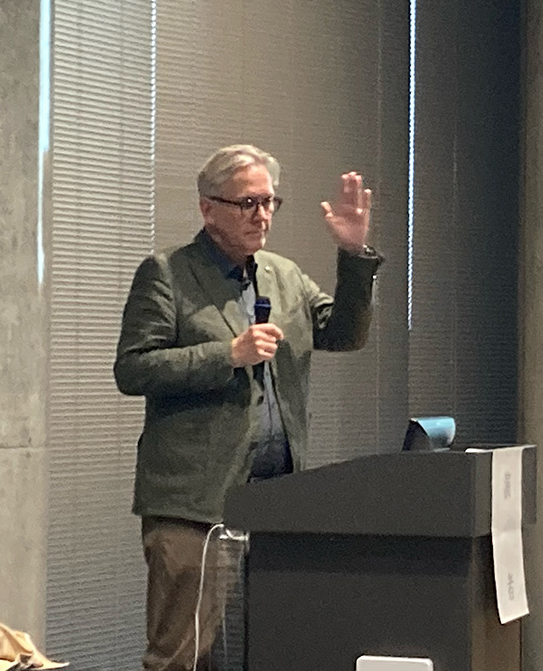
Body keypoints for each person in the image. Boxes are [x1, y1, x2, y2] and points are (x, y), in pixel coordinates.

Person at [114, 144, 383, 671]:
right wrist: (227, 355)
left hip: (277, 500)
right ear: (208, 207)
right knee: (183, 656)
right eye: (247, 203)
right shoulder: (168, 274)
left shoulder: (284, 276)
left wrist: (354, 256)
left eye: (268, 202)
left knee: (273, 647)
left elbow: (345, 334)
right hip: (194, 506)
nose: (262, 215)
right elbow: (134, 368)